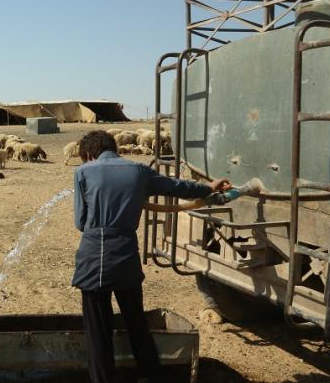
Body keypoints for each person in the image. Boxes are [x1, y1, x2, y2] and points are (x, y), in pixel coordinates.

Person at [72, 130, 230, 383]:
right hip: (126, 254)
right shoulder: (139, 171)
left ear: (90, 154)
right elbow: (177, 187)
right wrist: (208, 188)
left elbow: (81, 223)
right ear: (114, 148)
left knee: (98, 330)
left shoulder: (83, 172)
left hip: (95, 257)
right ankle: (151, 375)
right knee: (136, 321)